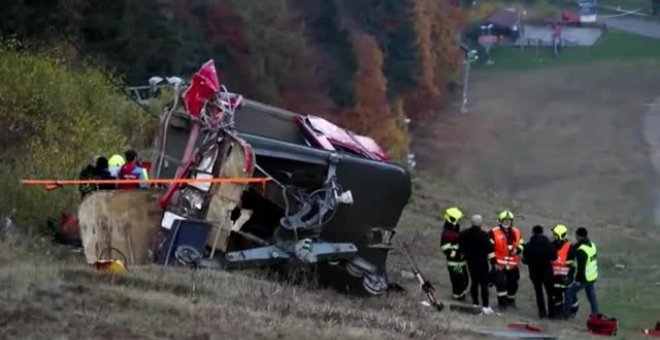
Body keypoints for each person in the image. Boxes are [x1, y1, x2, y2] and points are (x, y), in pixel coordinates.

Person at [458, 214, 495, 315]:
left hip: (471, 262)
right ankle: (486, 305)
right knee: (484, 284)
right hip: (482, 262)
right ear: (480, 223)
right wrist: (493, 262)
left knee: (474, 282)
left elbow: (459, 244)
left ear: (471, 222)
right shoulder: (484, 235)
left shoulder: (464, 234)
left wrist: (463, 253)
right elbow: (491, 249)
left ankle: (475, 303)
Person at [488, 209, 524, 309]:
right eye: (505, 220)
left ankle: (511, 301)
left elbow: (521, 244)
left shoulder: (517, 232)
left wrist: (517, 250)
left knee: (513, 284)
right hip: (499, 264)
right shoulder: (493, 232)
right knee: (500, 284)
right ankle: (502, 304)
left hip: (513, 265)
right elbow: (489, 249)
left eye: (509, 220)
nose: (507, 222)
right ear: (500, 221)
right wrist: (494, 263)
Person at [522, 225, 557, 319]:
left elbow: (525, 260)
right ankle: (552, 314)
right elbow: (554, 257)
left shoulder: (529, 245)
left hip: (534, 272)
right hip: (547, 272)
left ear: (533, 232)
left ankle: (542, 313)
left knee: (539, 292)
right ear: (542, 232)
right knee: (550, 292)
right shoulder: (548, 244)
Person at [563, 227, 599, 318]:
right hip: (592, 276)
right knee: (592, 297)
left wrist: (578, 280)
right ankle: (595, 314)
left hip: (584, 278)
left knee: (569, 293)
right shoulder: (592, 245)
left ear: (579, 236)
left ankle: (565, 313)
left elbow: (581, 268)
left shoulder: (582, 251)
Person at [440, 206, 469, 301]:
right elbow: (445, 248)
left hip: (461, 261)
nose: (459, 221)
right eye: (458, 219)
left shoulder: (454, 229)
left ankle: (462, 295)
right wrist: (456, 253)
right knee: (458, 280)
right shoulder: (447, 233)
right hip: (454, 262)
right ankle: (458, 297)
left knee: (465, 279)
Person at [550, 224, 578, 318]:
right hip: (555, 275)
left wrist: (568, 275)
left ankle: (573, 309)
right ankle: (558, 310)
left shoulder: (570, 247)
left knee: (569, 293)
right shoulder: (551, 245)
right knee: (556, 293)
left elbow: (572, 263)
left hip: (566, 275)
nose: (553, 236)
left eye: (555, 234)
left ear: (560, 235)